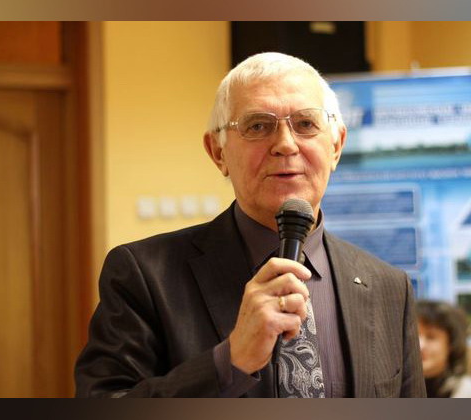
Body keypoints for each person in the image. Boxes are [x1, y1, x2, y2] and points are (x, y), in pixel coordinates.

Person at [75, 52, 425, 398]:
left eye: (306, 124)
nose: (285, 145)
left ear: (336, 146)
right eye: (258, 126)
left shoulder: (389, 288)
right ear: (218, 152)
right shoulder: (145, 276)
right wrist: (230, 362)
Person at [416, 300, 471, 398]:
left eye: (431, 337)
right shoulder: (400, 389)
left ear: (451, 343)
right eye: (415, 337)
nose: (420, 345)